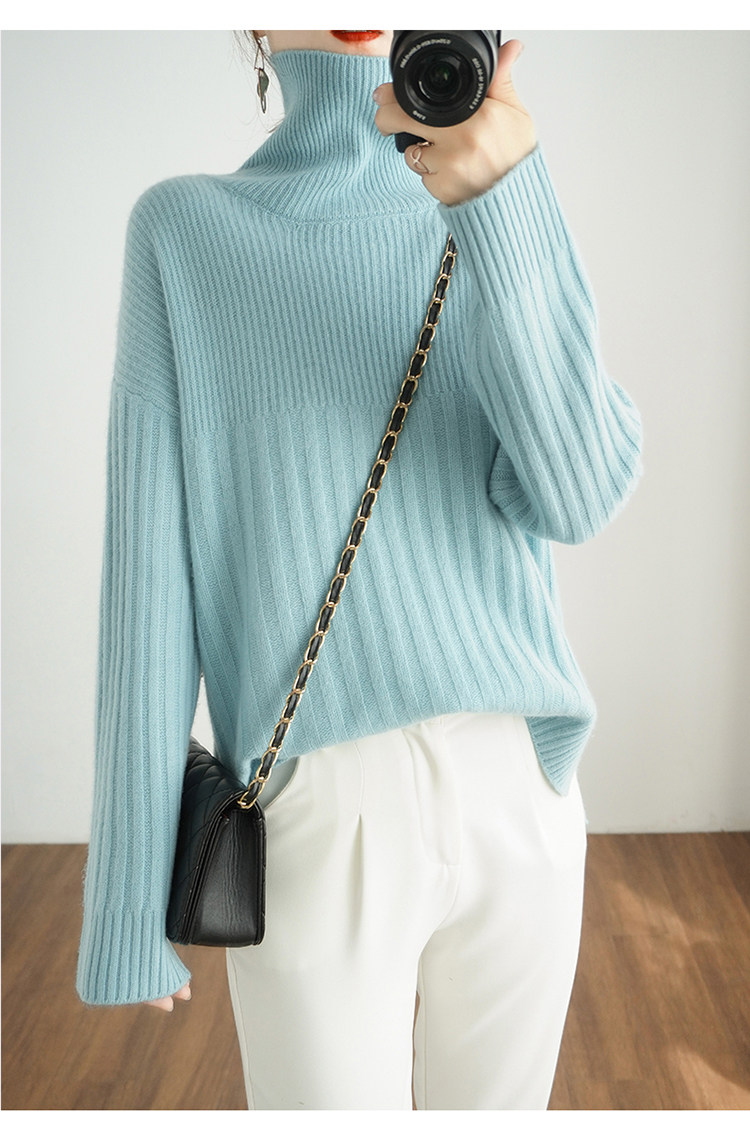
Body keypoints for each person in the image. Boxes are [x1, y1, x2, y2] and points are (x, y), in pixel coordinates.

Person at [75, 29, 644, 1111]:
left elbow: (579, 494)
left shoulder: (493, 196)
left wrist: (504, 202)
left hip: (517, 783)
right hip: (318, 809)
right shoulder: (186, 232)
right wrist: (128, 900)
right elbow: (147, 589)